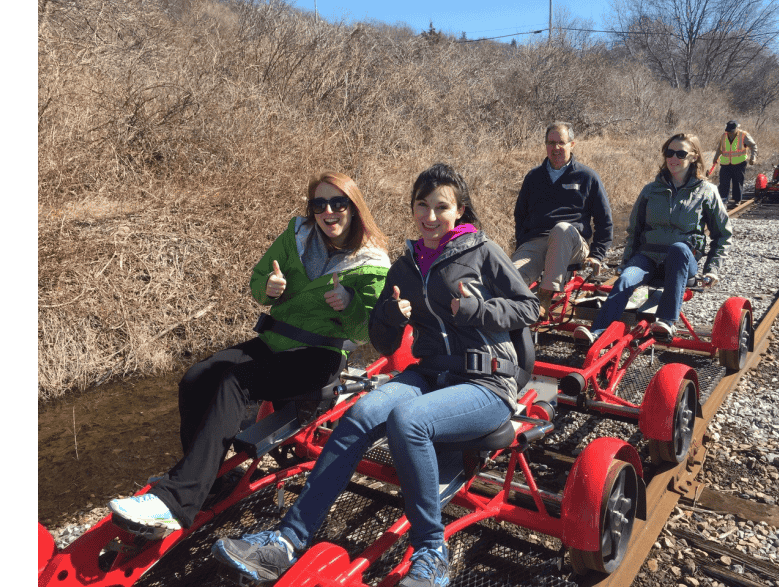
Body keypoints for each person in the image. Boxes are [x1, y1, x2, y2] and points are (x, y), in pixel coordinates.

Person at [211, 163, 539, 587]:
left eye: (442, 207)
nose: (431, 216)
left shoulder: (482, 251)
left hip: (486, 382)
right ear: (413, 209)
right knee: (361, 413)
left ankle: (430, 551)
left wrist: (480, 310)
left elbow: (530, 308)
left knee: (409, 421)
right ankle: (287, 541)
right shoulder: (404, 267)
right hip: (430, 374)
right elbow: (383, 342)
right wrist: (387, 314)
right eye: (423, 206)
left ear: (459, 210)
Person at [106, 172, 391, 539]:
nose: (329, 212)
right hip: (275, 342)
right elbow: (260, 279)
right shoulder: (298, 236)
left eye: (339, 203)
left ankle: (175, 501)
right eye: (320, 204)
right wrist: (270, 289)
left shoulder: (371, 263)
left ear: (354, 208)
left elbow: (365, 332)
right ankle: (204, 482)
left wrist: (350, 305)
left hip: (319, 355)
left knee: (235, 384)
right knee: (197, 377)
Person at [574, 133, 732, 345]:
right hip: (648, 256)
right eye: (669, 152)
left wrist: (712, 269)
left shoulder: (707, 192)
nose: (673, 158)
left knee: (679, 248)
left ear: (694, 157)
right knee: (626, 279)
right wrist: (626, 262)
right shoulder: (651, 190)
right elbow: (635, 230)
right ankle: (597, 333)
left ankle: (666, 321)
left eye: (681, 153)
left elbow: (723, 235)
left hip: (682, 261)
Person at [512, 121, 613, 320]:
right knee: (509, 278)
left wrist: (597, 255)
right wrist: (523, 246)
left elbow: (604, 220)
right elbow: (520, 216)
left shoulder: (587, 177)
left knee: (561, 229)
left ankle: (545, 296)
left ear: (572, 144)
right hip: (537, 241)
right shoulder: (534, 177)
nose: (556, 148)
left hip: (573, 243)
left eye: (561, 143)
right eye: (551, 143)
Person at [711, 120, 758, 207]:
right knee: (724, 182)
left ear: (737, 128)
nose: (729, 133)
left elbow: (753, 146)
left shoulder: (744, 135)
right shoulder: (724, 136)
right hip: (725, 163)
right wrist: (715, 158)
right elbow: (719, 149)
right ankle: (724, 200)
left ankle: (737, 200)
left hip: (739, 163)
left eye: (731, 131)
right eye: (728, 131)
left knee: (737, 182)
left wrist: (753, 157)